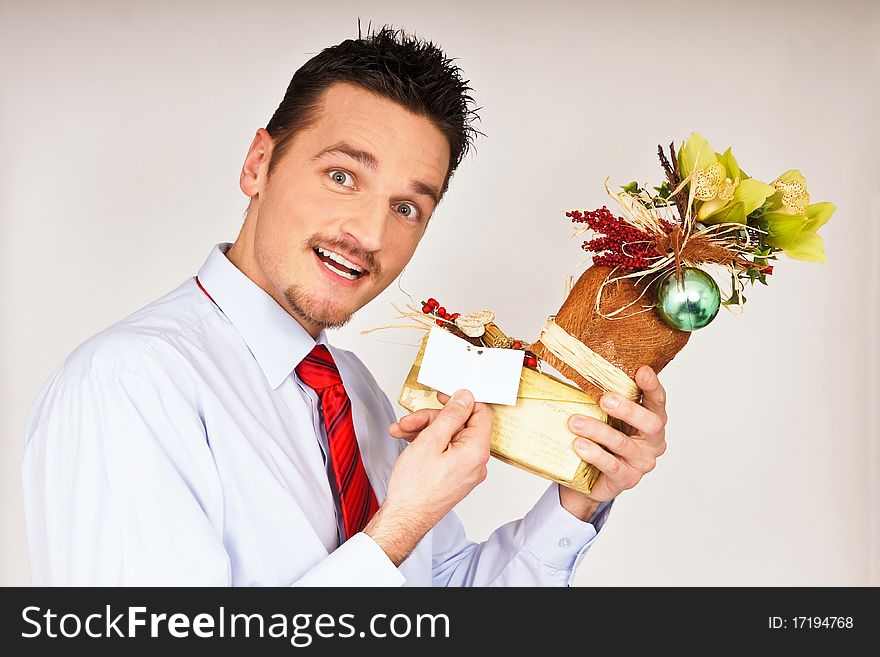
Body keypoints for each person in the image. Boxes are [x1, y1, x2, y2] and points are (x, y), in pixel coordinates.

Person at [21, 25, 669, 586]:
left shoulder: (355, 391)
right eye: (342, 176)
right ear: (258, 163)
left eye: (408, 206)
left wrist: (581, 494)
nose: (370, 233)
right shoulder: (130, 384)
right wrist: (397, 526)